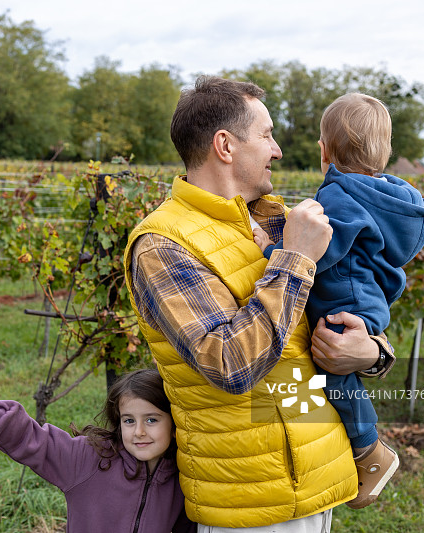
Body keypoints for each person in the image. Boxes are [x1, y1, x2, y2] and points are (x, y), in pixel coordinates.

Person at [123, 76, 397, 532]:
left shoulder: (275, 217)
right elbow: (230, 365)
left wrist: (372, 352)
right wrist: (294, 259)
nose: (278, 149)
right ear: (225, 145)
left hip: (315, 481)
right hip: (251, 500)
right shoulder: (162, 244)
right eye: (267, 134)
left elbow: (343, 301)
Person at [252, 92, 424, 509]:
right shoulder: (391, 197)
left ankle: (368, 449)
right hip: (365, 297)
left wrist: (273, 251)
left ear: (324, 151)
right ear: (385, 152)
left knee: (333, 371)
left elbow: (322, 248)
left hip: (344, 299)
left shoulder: (340, 195)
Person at [0, 367, 196, 533]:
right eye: (129, 421)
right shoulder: (90, 459)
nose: (139, 432)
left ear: (175, 425)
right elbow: (37, 442)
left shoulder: (184, 479)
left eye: (152, 420)